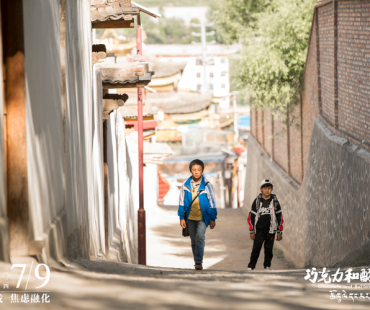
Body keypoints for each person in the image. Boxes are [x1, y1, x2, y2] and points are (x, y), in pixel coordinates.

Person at [178, 159, 217, 270]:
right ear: (190, 170)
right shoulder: (185, 185)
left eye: (199, 170)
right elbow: (181, 202)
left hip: (203, 218)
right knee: (193, 240)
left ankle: (199, 261)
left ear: (202, 171)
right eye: (194, 169)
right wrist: (181, 217)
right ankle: (196, 260)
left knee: (200, 237)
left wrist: (213, 218)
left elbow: (212, 202)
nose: (196, 172)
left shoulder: (207, 185)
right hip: (189, 218)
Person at [247, 179, 284, 270]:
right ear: (261, 189)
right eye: (265, 188)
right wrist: (252, 231)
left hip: (270, 230)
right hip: (259, 230)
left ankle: (267, 266)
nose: (267, 190)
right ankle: (251, 266)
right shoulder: (257, 201)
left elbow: (280, 217)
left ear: (272, 189)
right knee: (256, 249)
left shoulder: (274, 201)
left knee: (268, 249)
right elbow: (251, 217)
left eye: (269, 188)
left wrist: (279, 232)